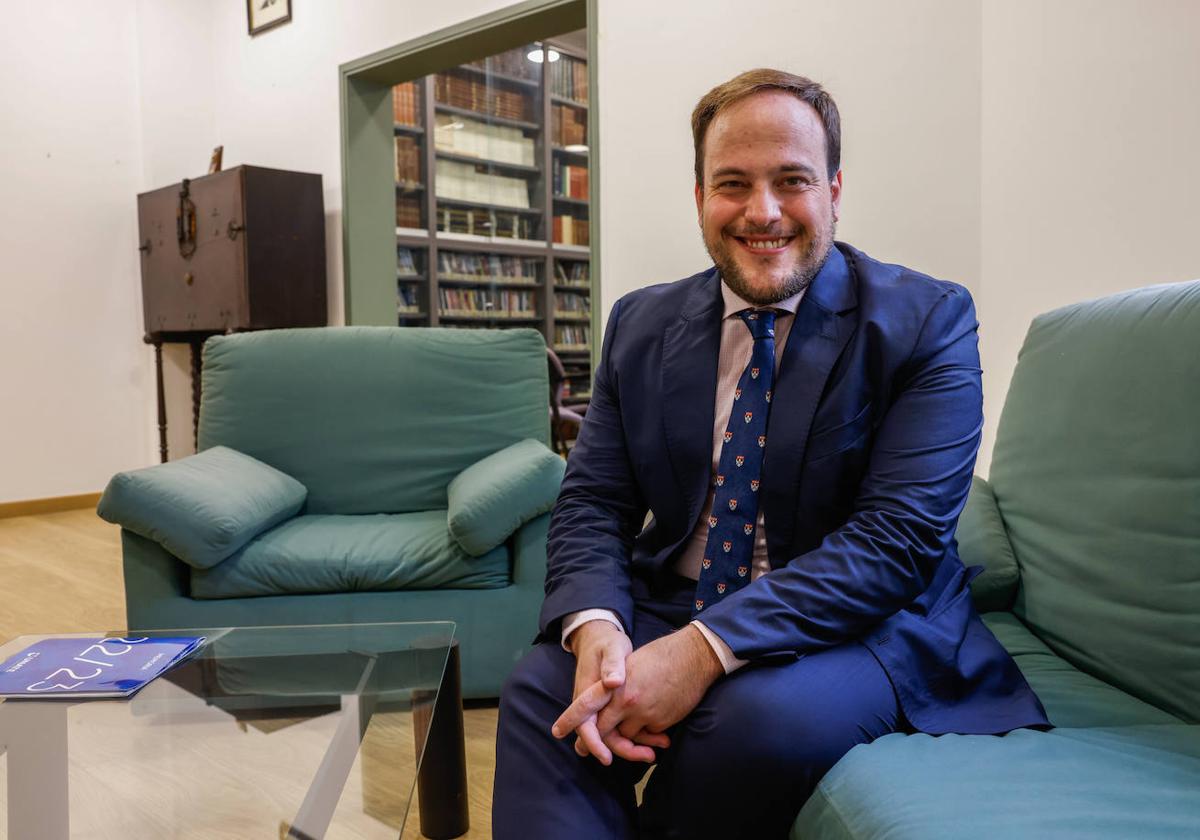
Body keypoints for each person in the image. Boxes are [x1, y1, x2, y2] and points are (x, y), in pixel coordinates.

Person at [493, 68, 1048, 839]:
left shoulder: (927, 319)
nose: (763, 211)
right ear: (698, 198)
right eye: (733, 183)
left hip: (860, 622)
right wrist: (599, 632)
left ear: (834, 190)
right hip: (671, 598)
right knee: (540, 695)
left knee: (750, 723)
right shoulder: (640, 323)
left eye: (792, 180)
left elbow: (896, 542)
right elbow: (595, 501)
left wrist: (698, 654)